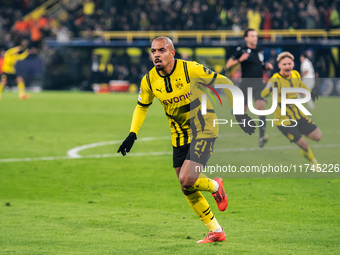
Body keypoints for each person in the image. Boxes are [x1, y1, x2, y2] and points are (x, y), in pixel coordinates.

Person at [118, 36, 255, 243]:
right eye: (153, 51)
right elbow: (142, 106)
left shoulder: (190, 69)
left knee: (187, 179)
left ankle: (216, 187)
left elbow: (225, 83)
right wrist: (132, 133)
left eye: (162, 50)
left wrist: (240, 114)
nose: (156, 55)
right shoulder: (148, 80)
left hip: (204, 128)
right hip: (179, 134)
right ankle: (216, 230)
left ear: (172, 53)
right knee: (185, 187)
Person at [261, 51, 321, 164]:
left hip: (298, 115)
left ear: (293, 64)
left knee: (318, 136)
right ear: (279, 66)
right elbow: (263, 94)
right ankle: (314, 163)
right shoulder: (275, 80)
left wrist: (309, 93)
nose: (287, 66)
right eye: (284, 64)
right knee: (304, 144)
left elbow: (301, 86)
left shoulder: (296, 75)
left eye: (289, 63)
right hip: (283, 120)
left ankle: (298, 134)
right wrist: (269, 89)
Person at [226, 28, 273, 147]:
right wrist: (240, 60)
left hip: (259, 84)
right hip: (246, 84)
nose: (255, 38)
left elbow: (259, 64)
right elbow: (228, 64)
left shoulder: (259, 50)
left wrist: (265, 66)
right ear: (246, 38)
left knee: (261, 109)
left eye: (256, 36)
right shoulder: (241, 49)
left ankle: (262, 137)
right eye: (252, 36)